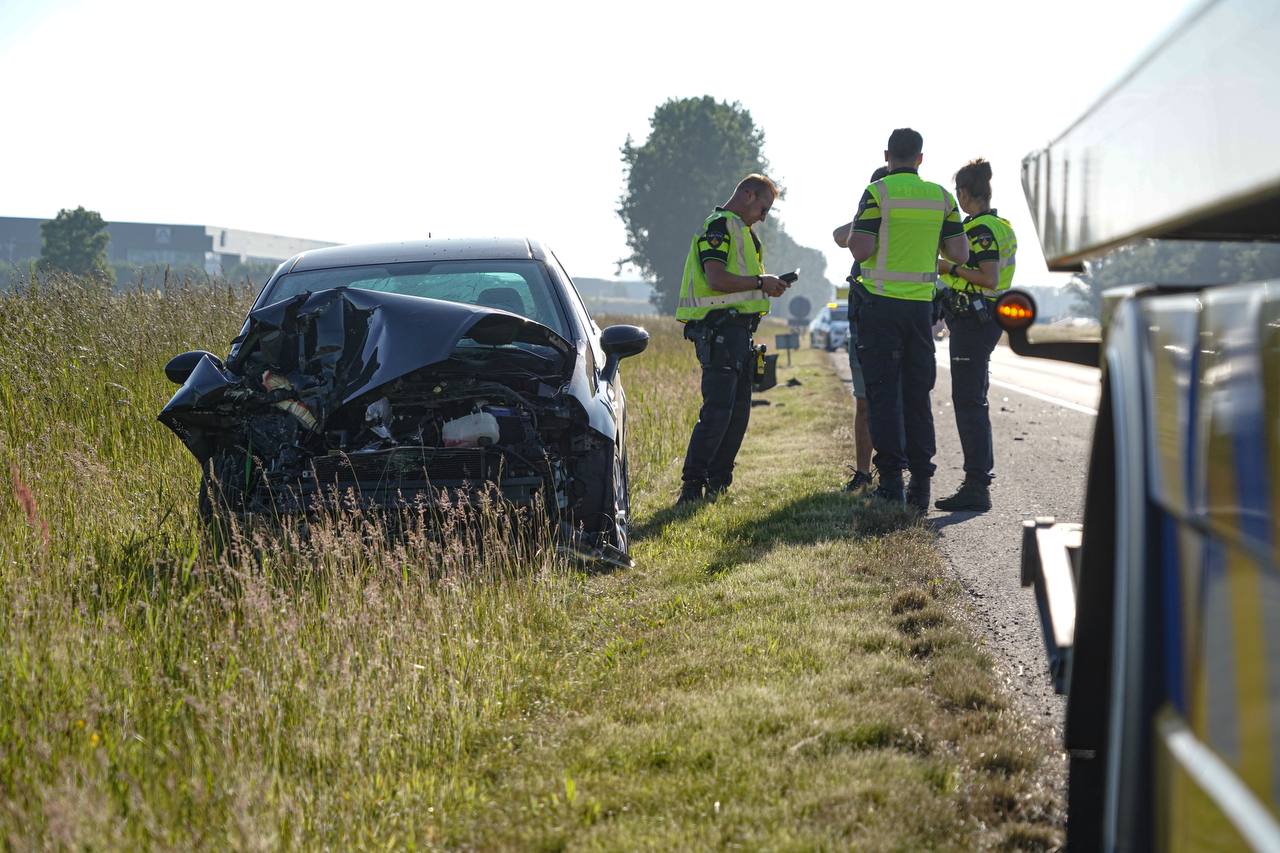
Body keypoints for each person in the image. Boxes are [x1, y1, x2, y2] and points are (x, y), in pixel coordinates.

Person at [841, 129, 969, 512]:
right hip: (919, 312)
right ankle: (922, 488)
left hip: (880, 309)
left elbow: (860, 249)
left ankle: (892, 484)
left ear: (887, 155)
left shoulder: (877, 193)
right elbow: (960, 253)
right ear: (920, 158)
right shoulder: (942, 198)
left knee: (882, 395)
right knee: (917, 396)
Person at [675, 174, 792, 503]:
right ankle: (691, 487)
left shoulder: (745, 234)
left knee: (738, 412)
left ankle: (718, 484)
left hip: (739, 332)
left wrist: (768, 285)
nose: (764, 217)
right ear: (749, 195)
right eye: (764, 209)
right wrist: (760, 282)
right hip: (719, 330)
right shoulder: (719, 226)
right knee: (718, 411)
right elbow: (716, 279)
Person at [933, 159, 1018, 511]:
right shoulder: (1001, 225)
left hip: (974, 320)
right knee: (972, 399)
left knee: (969, 402)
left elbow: (989, 277)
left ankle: (976, 485)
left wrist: (947, 267)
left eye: (958, 195)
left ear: (965, 194)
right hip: (980, 321)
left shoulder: (981, 230)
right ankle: (976, 481)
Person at [832, 165, 890, 492]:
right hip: (864, 319)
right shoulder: (867, 223)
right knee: (864, 402)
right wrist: (866, 215)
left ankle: (890, 471)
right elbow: (840, 237)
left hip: (887, 317)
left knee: (887, 401)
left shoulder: (902, 226)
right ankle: (864, 472)